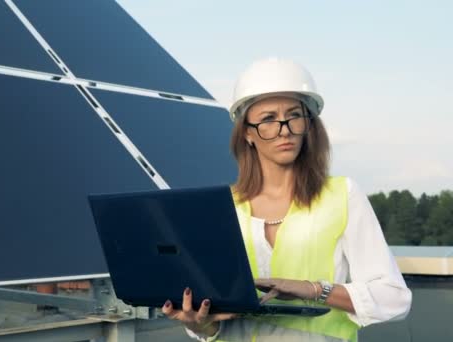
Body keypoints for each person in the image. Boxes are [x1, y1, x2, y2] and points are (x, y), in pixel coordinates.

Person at [161, 58, 412, 341]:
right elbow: (212, 321)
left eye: (294, 116)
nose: (284, 129)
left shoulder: (343, 195)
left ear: (309, 125)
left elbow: (394, 298)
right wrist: (199, 325)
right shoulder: (223, 208)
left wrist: (316, 290)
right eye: (268, 119)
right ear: (248, 133)